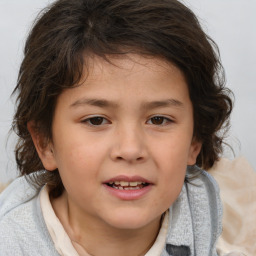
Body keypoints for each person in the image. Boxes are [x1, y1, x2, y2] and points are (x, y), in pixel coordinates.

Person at [0, 0, 233, 255]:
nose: (130, 149)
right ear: (45, 143)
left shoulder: (198, 206)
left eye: (158, 120)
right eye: (96, 120)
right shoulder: (12, 243)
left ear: (194, 140)